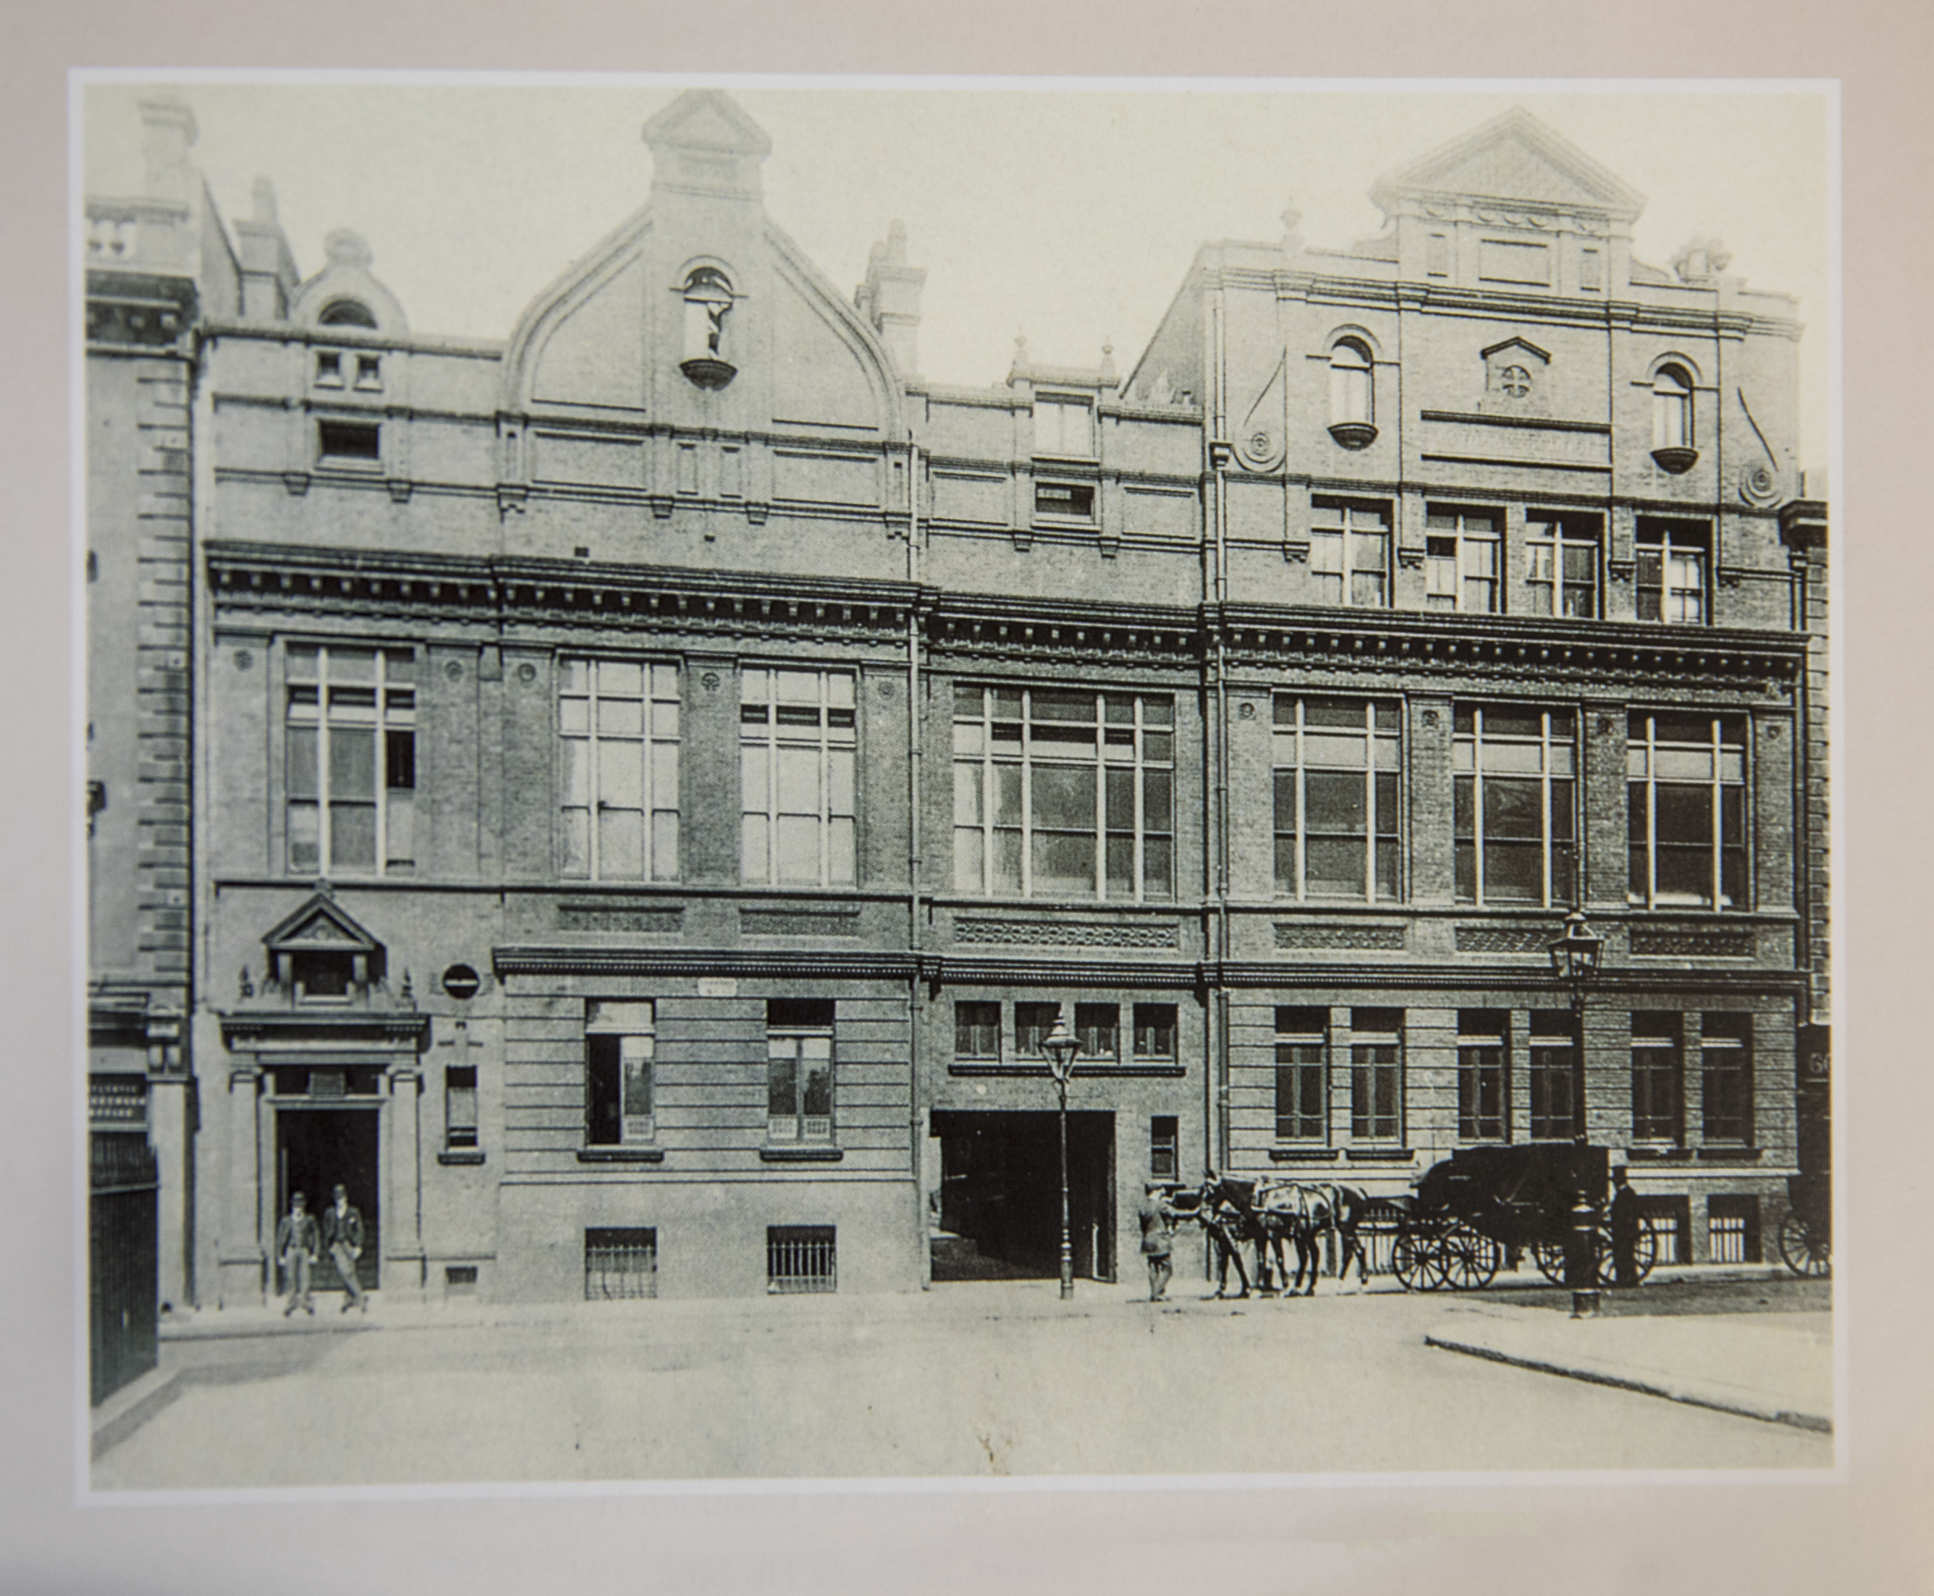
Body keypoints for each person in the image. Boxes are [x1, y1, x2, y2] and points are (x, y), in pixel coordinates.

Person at [321, 1182, 368, 1313]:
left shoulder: (353, 1212)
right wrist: (329, 1244)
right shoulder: (330, 1212)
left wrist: (358, 1246)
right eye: (337, 1198)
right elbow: (326, 1227)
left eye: (341, 1197)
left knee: (350, 1271)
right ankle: (361, 1298)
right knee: (345, 1271)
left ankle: (348, 1300)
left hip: (349, 1244)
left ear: (346, 1197)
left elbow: (359, 1229)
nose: (339, 1201)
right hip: (337, 1244)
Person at [274, 1191, 319, 1317]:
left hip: (304, 1249)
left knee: (305, 1277)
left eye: (300, 1205)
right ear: (292, 1206)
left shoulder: (309, 1220)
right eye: (295, 1205)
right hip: (290, 1250)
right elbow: (280, 1238)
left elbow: (315, 1236)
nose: (298, 1208)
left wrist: (314, 1252)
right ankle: (291, 1302)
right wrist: (280, 1255)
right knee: (290, 1277)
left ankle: (305, 1302)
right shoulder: (286, 1221)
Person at [1137, 1182, 1176, 1301]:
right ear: (1155, 1191)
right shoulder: (1160, 1205)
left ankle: (1157, 1293)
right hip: (1160, 1240)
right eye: (1160, 1189)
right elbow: (1173, 1213)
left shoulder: (1143, 1206)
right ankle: (1157, 1292)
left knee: (1153, 1267)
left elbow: (1142, 1226)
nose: (1162, 1191)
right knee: (1167, 1269)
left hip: (1148, 1239)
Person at [1609, 1165, 1641, 1289]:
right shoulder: (1624, 1193)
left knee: (1624, 1255)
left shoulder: (1627, 1193)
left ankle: (1627, 1279)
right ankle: (1626, 1279)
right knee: (1624, 1255)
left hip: (1625, 1230)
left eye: (1615, 1180)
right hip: (1622, 1230)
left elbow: (1631, 1213)